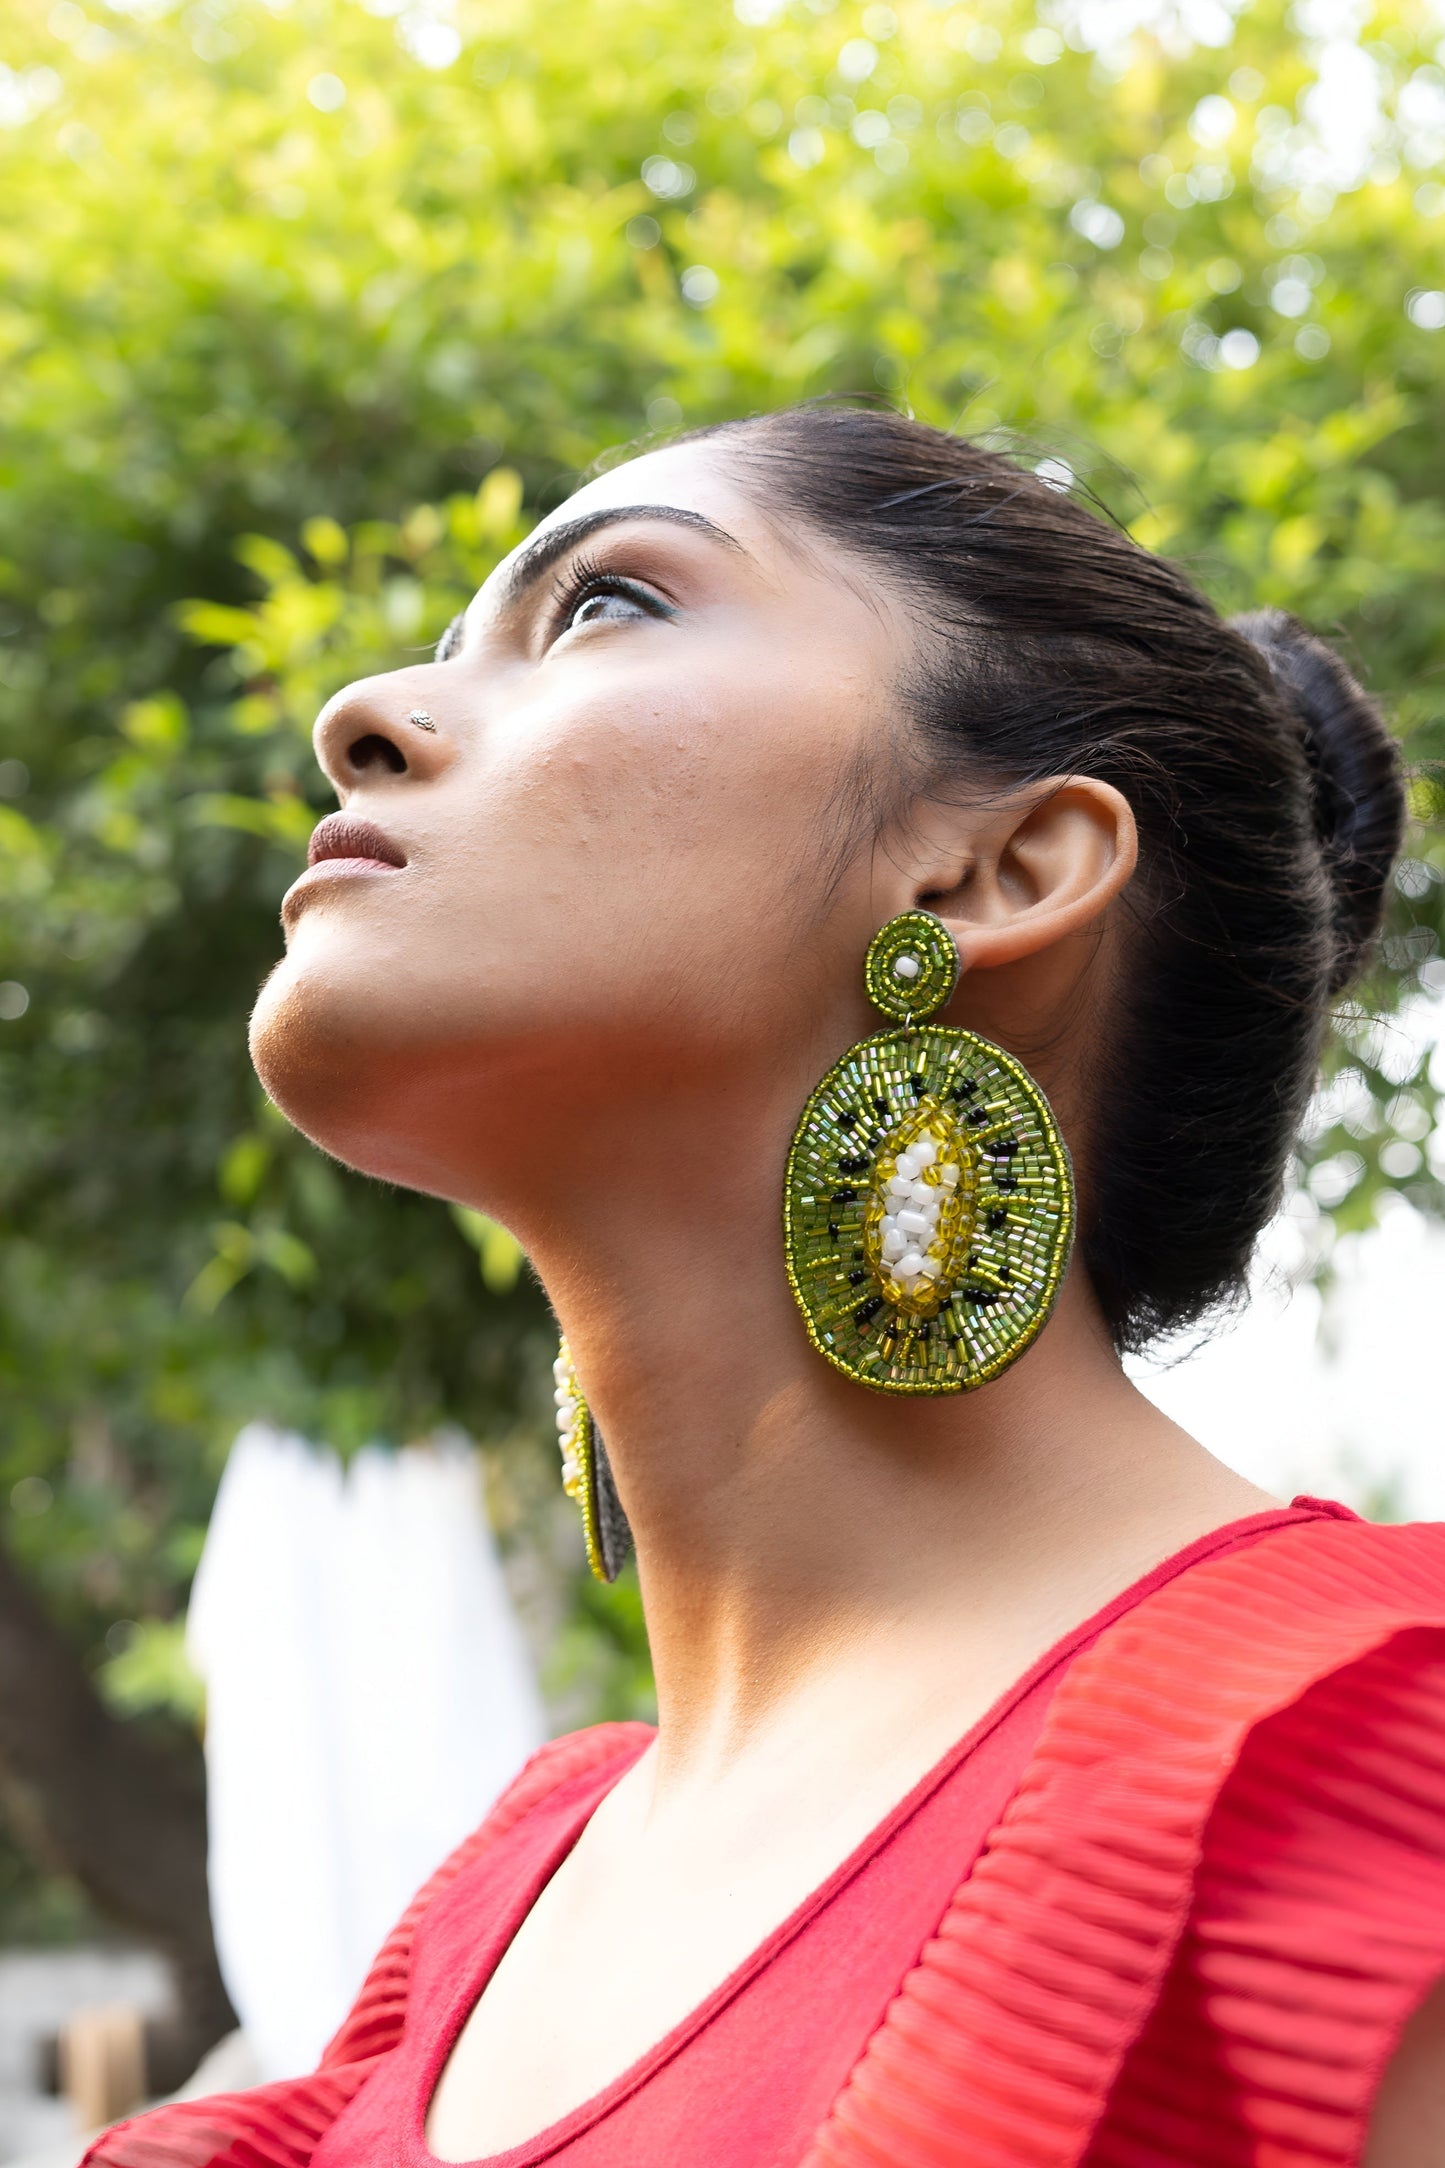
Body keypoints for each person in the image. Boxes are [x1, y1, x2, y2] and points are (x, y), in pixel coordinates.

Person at [88, 406, 1445, 2168]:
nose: (360, 716)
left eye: (605, 607)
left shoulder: (1360, 1785)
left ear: (993, 870)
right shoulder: (462, 1944)